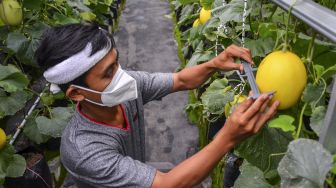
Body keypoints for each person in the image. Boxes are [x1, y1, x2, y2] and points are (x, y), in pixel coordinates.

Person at [35, 23, 279, 188]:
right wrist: (228, 137)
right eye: (108, 72)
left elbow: (181, 80)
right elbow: (167, 184)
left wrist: (213, 64)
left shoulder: (124, 89)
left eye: (116, 62)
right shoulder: (83, 149)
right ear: (77, 93)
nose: (121, 75)